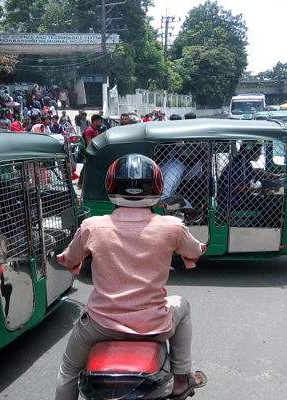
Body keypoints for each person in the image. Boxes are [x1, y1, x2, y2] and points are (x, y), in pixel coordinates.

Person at [54, 154, 207, 400]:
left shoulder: (92, 226)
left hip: (100, 325)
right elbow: (195, 250)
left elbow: (69, 259)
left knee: (68, 372)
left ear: (111, 186)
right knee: (183, 305)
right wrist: (192, 254)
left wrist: (72, 263)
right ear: (156, 186)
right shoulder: (172, 226)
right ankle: (181, 377)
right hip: (153, 326)